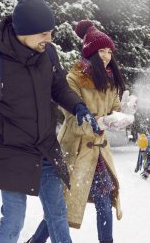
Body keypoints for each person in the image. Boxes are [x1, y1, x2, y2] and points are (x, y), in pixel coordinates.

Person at [0, 0, 100, 243]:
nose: (49, 39)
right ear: (23, 31)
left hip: (47, 149)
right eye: (43, 34)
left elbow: (58, 86)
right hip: (12, 154)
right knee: (13, 220)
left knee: (58, 215)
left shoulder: (48, 54)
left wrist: (78, 106)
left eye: (50, 32)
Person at [28, 20, 135, 243]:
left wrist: (123, 113)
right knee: (62, 205)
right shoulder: (73, 78)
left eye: (109, 51)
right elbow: (72, 118)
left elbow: (114, 109)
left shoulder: (111, 80)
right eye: (101, 51)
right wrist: (102, 121)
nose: (106, 56)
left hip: (98, 153)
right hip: (74, 152)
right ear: (90, 52)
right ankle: (35, 241)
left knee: (105, 196)